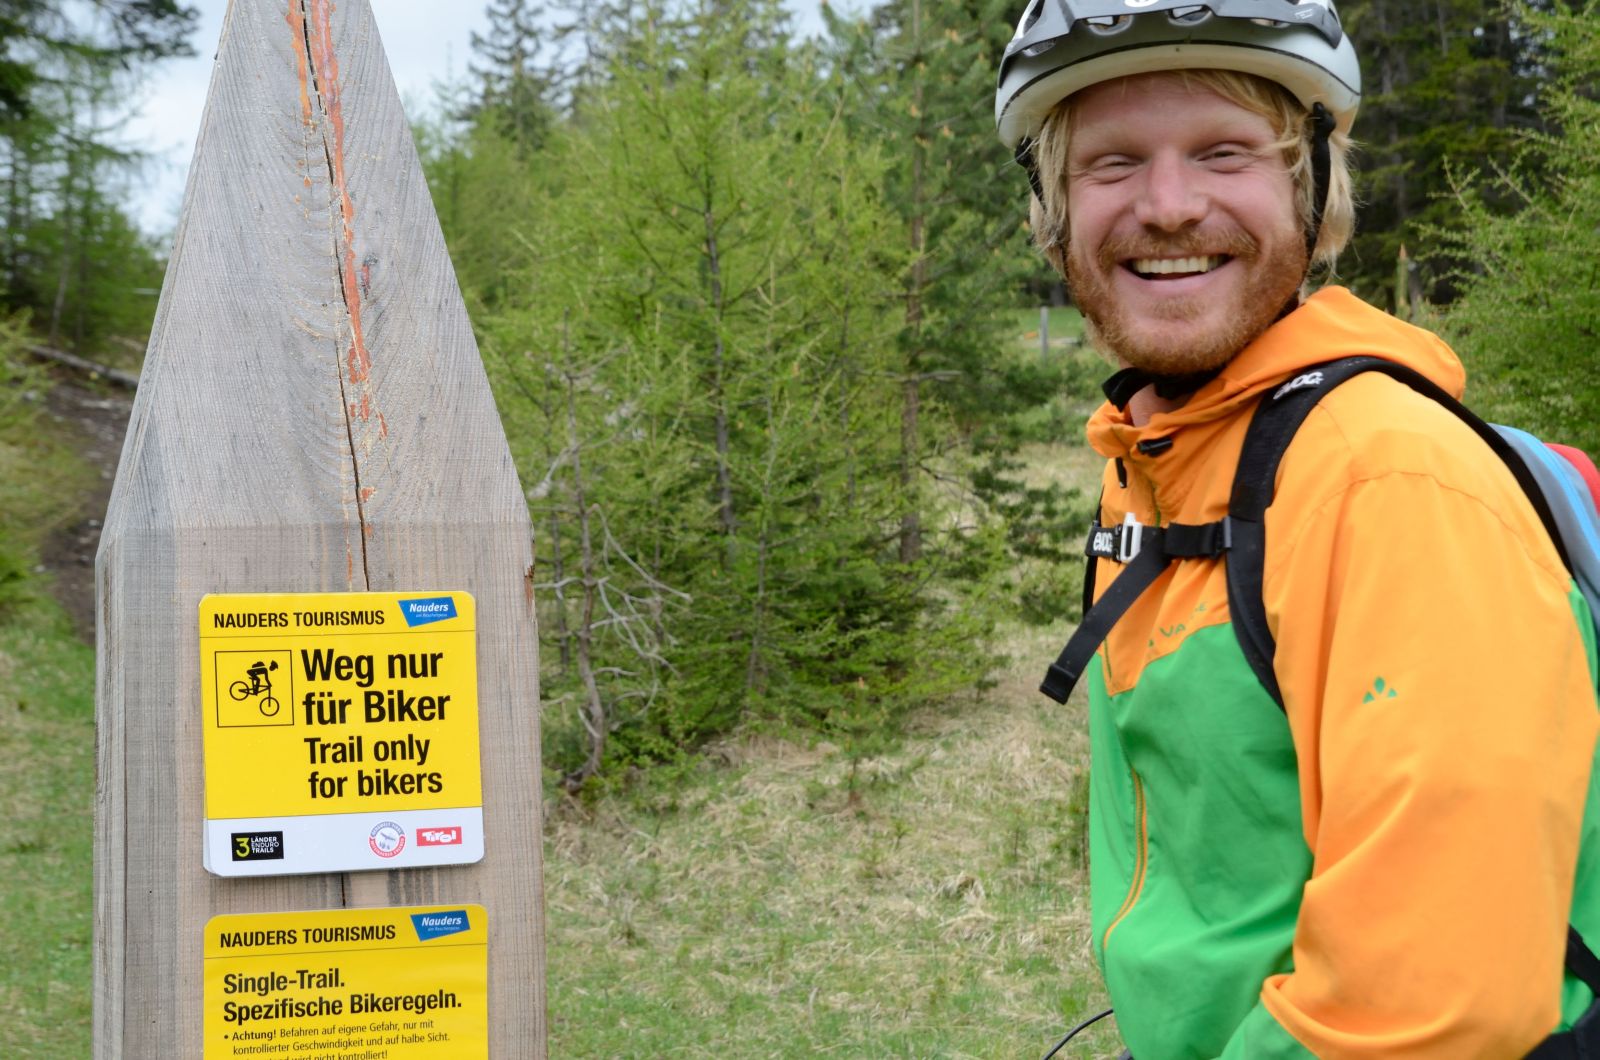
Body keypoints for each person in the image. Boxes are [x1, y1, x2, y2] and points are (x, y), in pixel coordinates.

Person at [994, 1, 1600, 1055]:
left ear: (1312, 190)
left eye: (1224, 151)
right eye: (1111, 162)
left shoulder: (1387, 482)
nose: (1168, 205)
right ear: (1051, 210)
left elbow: (1431, 1007)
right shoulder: (1154, 464)